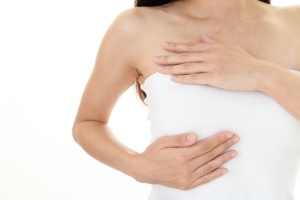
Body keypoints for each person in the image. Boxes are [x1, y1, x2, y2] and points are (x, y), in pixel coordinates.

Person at [72, 0, 300, 199]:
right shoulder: (136, 27)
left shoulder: (294, 23)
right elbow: (88, 123)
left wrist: (261, 74)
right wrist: (137, 166)